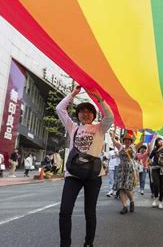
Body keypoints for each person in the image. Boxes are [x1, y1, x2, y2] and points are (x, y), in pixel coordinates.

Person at [56, 84, 113, 247]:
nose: (85, 114)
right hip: (73, 175)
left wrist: (100, 100)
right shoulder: (72, 127)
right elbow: (60, 109)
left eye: (89, 111)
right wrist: (73, 94)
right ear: (78, 115)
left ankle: (89, 243)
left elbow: (109, 117)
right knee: (65, 212)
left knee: (90, 212)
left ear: (94, 115)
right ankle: (65, 244)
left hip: (93, 176)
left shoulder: (100, 128)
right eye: (82, 111)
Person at [111, 130, 141, 214]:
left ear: (131, 141)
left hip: (130, 169)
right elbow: (113, 139)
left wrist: (143, 134)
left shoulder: (134, 147)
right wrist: (113, 134)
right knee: (121, 187)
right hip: (121, 169)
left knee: (128, 188)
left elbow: (141, 141)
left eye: (129, 140)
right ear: (123, 141)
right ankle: (124, 206)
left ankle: (131, 201)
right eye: (125, 140)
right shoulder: (121, 147)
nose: (127, 141)